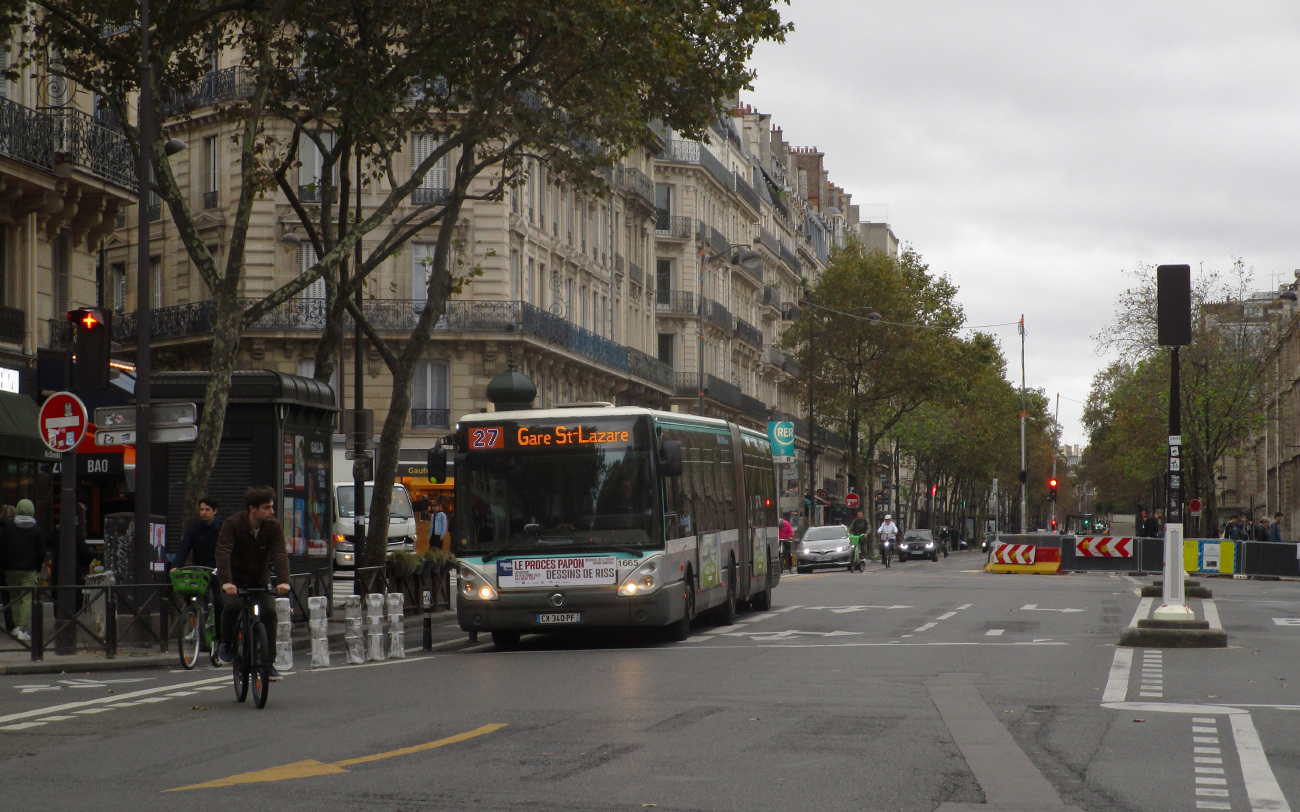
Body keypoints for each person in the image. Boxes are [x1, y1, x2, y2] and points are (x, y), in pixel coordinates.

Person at [216, 486, 291, 676]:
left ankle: (268, 663)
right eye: (267, 507)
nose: (272, 512)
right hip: (234, 579)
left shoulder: (273, 526)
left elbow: (279, 553)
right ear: (252, 508)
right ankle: (226, 642)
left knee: (269, 611)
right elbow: (223, 551)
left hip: (259, 578)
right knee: (232, 607)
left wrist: (284, 581)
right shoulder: (233, 524)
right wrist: (226, 581)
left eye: (271, 507)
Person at [172, 496, 225, 638]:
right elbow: (184, 547)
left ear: (215, 511)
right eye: (201, 509)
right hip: (199, 569)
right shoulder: (194, 528)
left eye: (207, 510)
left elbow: (227, 549)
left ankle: (220, 635)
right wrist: (176, 565)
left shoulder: (222, 528)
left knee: (219, 602)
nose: (203, 512)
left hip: (216, 569)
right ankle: (195, 626)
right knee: (190, 596)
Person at [1, 500, 46, 643]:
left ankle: (15, 627)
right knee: (27, 598)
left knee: (14, 597)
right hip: (29, 569)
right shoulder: (36, 530)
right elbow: (42, 551)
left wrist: (4, 566)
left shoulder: (9, 528)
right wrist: (37, 566)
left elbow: (2, 549)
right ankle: (23, 629)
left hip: (10, 569)